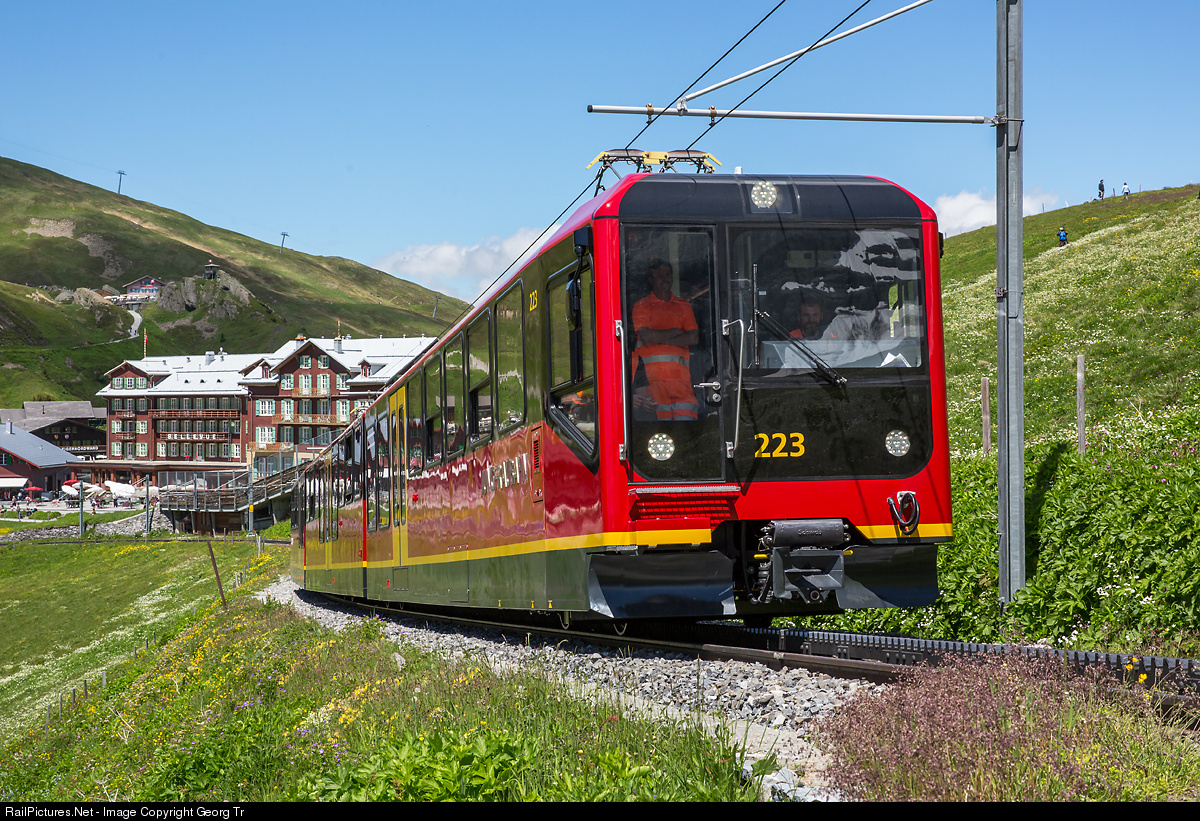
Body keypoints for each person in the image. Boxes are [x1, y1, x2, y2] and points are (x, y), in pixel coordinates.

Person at [632, 259, 699, 421]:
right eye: (660, 275)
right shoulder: (642, 306)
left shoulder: (683, 305)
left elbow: (693, 338)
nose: (666, 279)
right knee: (661, 433)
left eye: (668, 274)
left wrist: (659, 337)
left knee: (688, 431)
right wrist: (677, 332)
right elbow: (647, 337)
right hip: (652, 384)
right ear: (651, 279)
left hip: (681, 384)